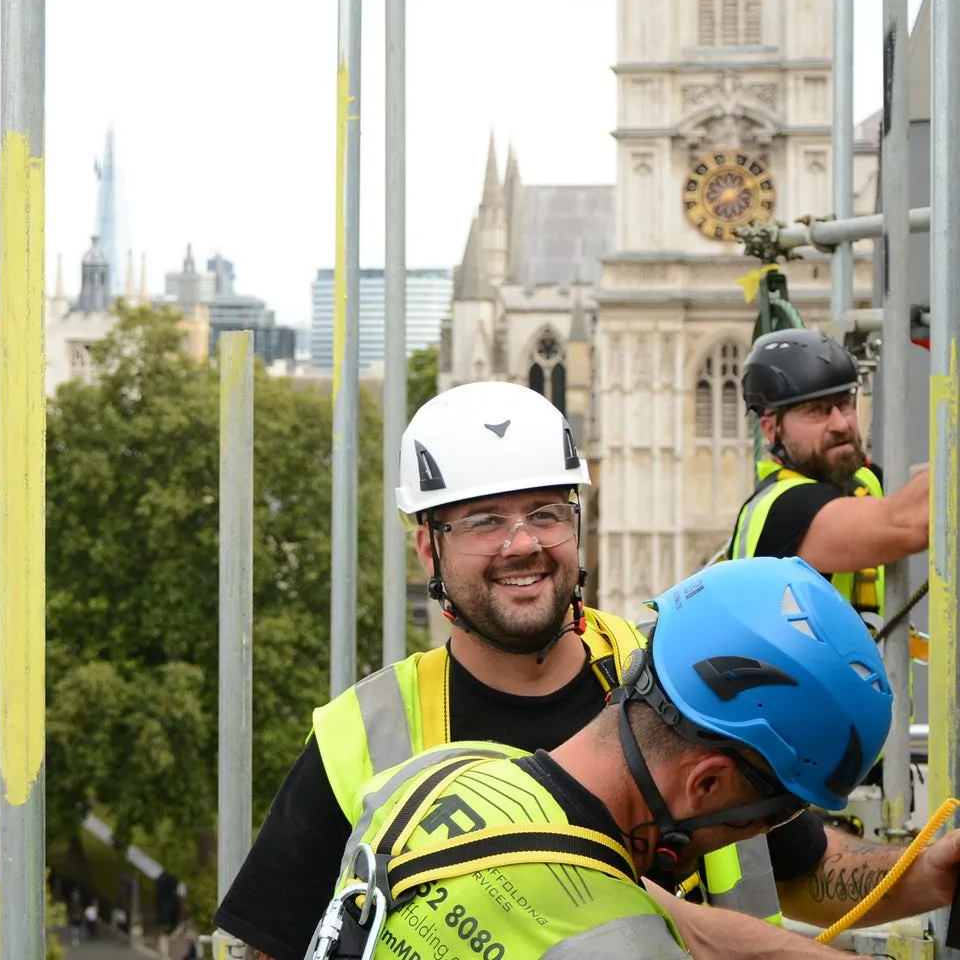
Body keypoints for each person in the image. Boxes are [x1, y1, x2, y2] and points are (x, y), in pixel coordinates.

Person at [214, 382, 960, 960]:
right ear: (427, 549)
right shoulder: (366, 732)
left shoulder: (671, 677)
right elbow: (276, 942)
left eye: (545, 512)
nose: (521, 545)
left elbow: (800, 870)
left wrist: (932, 873)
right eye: (482, 521)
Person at [309, 556, 892, 960]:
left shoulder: (439, 775)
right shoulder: (622, 940)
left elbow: (668, 913)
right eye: (779, 815)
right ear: (707, 784)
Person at [728, 328, 929, 626]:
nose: (840, 423)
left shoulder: (854, 478)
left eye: (845, 403)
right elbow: (911, 520)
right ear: (772, 429)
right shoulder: (782, 507)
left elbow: (918, 487)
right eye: (817, 411)